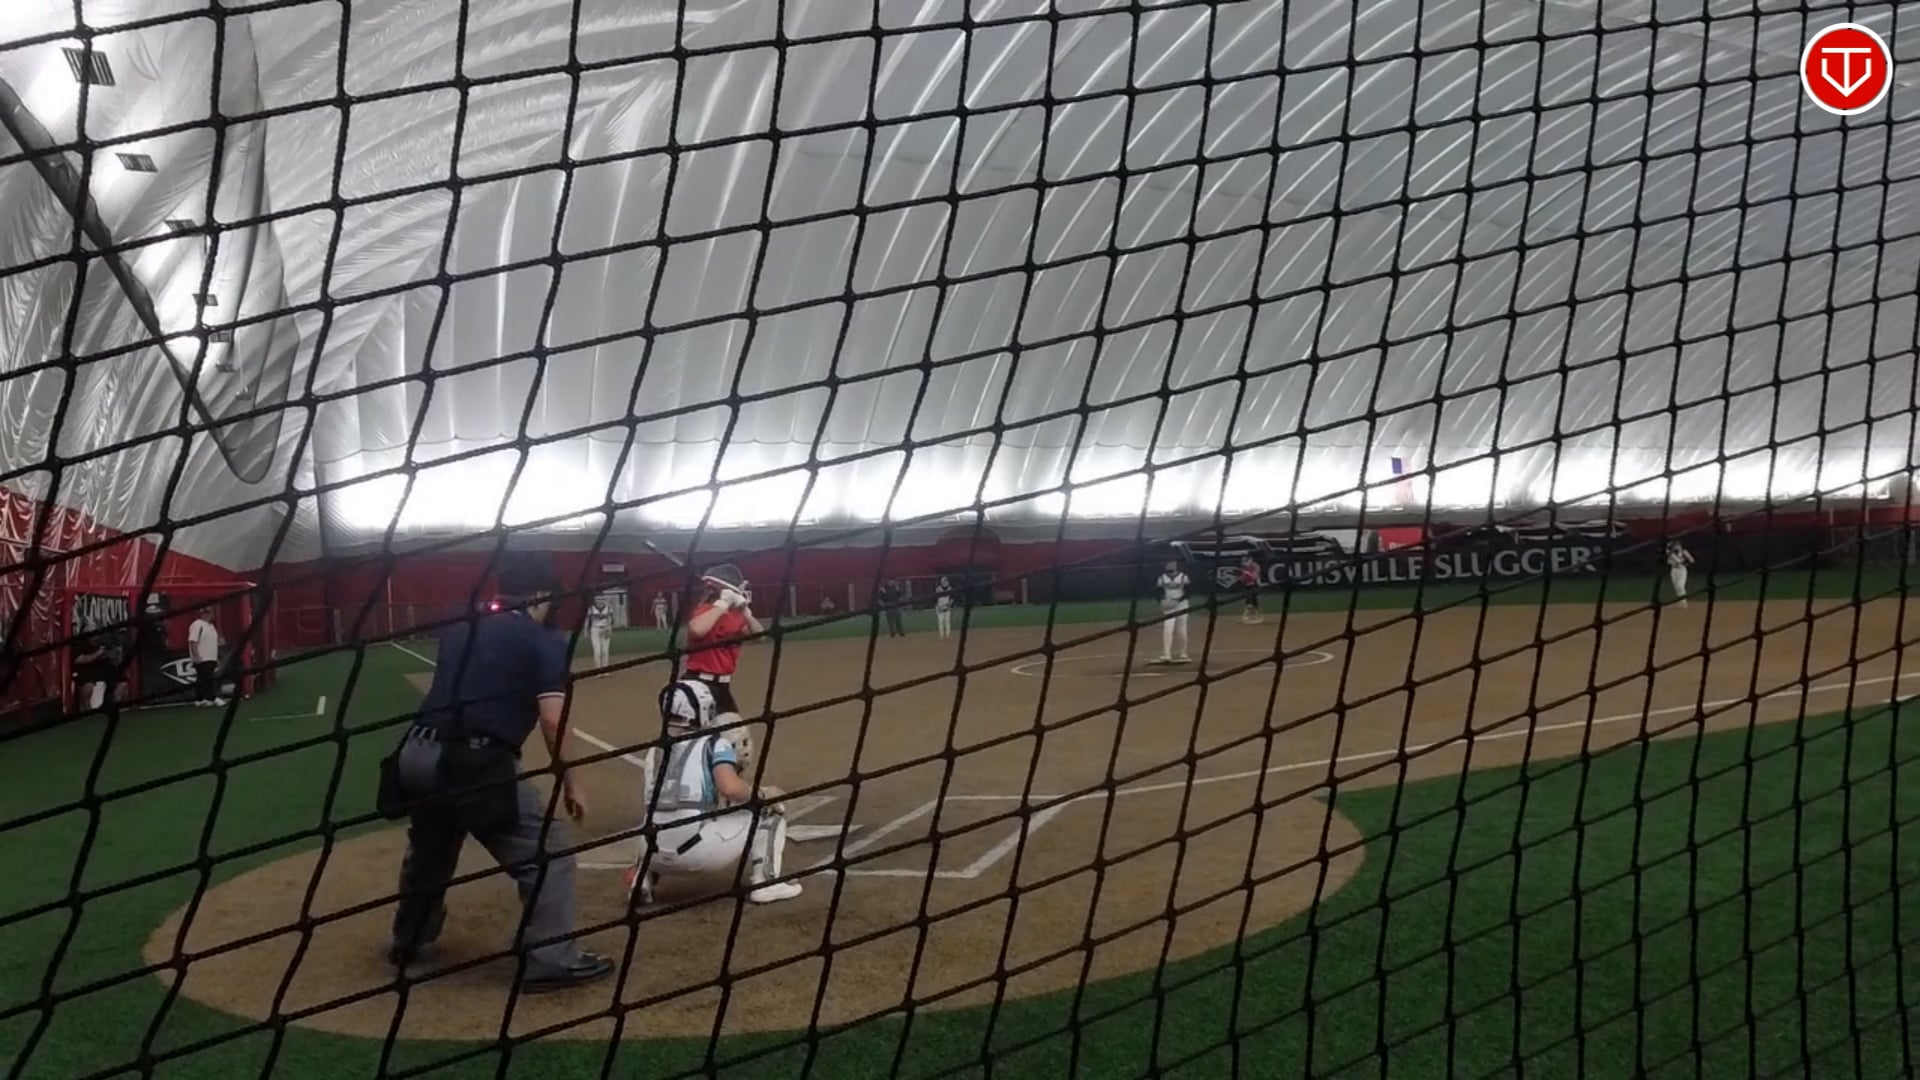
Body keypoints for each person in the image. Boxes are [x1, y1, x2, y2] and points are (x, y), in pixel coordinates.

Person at [385, 551, 612, 993]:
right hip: (473, 762)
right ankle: (550, 959)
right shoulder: (541, 641)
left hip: (414, 755)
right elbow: (553, 720)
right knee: (549, 853)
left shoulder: (462, 625)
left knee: (431, 849)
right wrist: (572, 783)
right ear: (542, 594)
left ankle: (408, 941)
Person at [623, 678, 801, 905]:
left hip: (650, 852)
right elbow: (730, 788)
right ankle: (766, 883)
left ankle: (642, 881)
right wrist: (765, 794)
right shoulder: (713, 743)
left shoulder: (654, 750)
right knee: (769, 814)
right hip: (697, 852)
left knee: (656, 820)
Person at [682, 563, 763, 759]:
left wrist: (746, 612)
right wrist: (721, 605)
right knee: (695, 743)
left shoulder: (736, 617)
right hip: (697, 685)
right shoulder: (707, 610)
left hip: (722, 689)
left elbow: (759, 636)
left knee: (736, 744)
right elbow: (696, 630)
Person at [1155, 559, 1192, 664]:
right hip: (1169, 606)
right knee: (1168, 628)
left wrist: (1177, 601)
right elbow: (1157, 592)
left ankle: (1183, 653)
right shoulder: (1162, 578)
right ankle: (1167, 654)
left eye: (1172, 565)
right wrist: (1161, 601)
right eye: (1168, 565)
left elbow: (1188, 592)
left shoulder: (1183, 577)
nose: (1170, 567)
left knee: (1181, 629)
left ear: (1176, 566)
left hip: (1182, 605)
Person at [186, 611, 226, 706]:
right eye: (207, 613)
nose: (210, 615)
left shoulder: (211, 626)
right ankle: (212, 698)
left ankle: (200, 699)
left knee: (203, 678)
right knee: (208, 678)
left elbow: (212, 641)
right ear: (203, 614)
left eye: (210, 613)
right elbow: (193, 641)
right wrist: (196, 656)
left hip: (211, 657)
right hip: (202, 657)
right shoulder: (197, 624)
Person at [586, 594, 614, 671]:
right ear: (595, 600)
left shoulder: (608, 608)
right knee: (597, 651)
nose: (600, 601)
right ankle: (597, 670)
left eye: (602, 599)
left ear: (605, 600)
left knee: (605, 651)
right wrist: (586, 631)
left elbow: (611, 620)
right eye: (598, 599)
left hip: (605, 629)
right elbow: (587, 620)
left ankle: (605, 669)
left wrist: (610, 630)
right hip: (595, 629)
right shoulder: (591, 609)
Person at [1666, 539, 1695, 609]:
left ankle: (1683, 603)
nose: (1676, 547)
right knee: (1676, 587)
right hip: (1674, 570)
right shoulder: (1671, 554)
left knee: (1680, 586)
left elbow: (1691, 560)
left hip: (1682, 570)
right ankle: (1679, 601)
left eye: (1677, 545)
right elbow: (1668, 561)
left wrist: (1686, 562)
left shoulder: (1684, 552)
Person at [1238, 555, 1263, 625]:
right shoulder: (1245, 567)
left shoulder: (1255, 566)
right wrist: (1242, 578)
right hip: (1248, 586)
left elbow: (1254, 576)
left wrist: (1247, 575)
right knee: (1253, 601)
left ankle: (1246, 617)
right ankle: (1258, 616)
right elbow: (1244, 577)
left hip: (1254, 585)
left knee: (1249, 600)